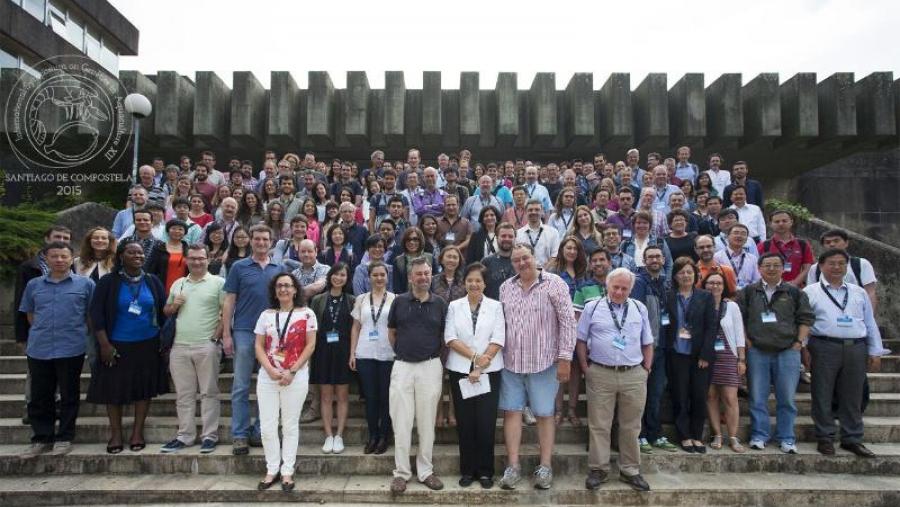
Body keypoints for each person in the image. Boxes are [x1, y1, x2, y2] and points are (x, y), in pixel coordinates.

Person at [497, 243, 576, 490]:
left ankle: (545, 466)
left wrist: (565, 359)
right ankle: (513, 466)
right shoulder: (505, 287)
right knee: (511, 413)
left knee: (544, 414)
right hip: (511, 363)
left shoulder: (554, 283)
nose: (522, 263)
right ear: (512, 264)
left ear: (535, 257)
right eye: (516, 260)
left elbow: (568, 321)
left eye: (525, 258)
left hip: (544, 363)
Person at [803, 249, 889, 458]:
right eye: (831, 263)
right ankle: (825, 437)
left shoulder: (858, 292)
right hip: (823, 346)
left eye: (841, 263)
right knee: (822, 393)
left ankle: (852, 438)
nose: (836, 267)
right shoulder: (810, 292)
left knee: (853, 394)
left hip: (855, 347)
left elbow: (869, 322)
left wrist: (875, 350)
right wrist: (804, 348)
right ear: (821, 266)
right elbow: (804, 322)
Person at [86, 239, 168, 454]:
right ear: (121, 256)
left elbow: (162, 311)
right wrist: (104, 344)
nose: (138, 256)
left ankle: (137, 432)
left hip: (148, 343)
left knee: (143, 390)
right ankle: (116, 434)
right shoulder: (108, 282)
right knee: (114, 391)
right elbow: (96, 314)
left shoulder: (152, 281)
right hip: (116, 344)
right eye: (132, 253)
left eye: (140, 253)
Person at [576, 268, 653, 492]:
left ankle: (630, 470)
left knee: (631, 425)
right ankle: (598, 469)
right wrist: (584, 367)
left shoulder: (639, 308)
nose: (619, 292)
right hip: (600, 372)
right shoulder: (593, 307)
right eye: (615, 287)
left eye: (624, 288)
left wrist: (646, 368)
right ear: (607, 287)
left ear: (630, 289)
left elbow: (647, 341)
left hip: (633, 374)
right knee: (599, 425)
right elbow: (581, 340)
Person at [18, 242, 94, 459]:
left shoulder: (85, 284)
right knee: (40, 395)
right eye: (55, 256)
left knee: (69, 394)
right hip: (40, 347)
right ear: (46, 258)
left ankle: (64, 437)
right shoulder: (34, 285)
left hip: (71, 346)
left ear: (72, 259)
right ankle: (41, 437)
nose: (59, 260)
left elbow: (90, 315)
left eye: (64, 256)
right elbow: (30, 314)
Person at [736, 252, 814, 453]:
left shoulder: (794, 292)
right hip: (758, 351)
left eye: (776, 265)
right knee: (757, 396)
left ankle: (786, 437)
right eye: (767, 265)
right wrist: (746, 341)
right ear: (759, 268)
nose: (771, 269)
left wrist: (798, 342)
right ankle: (759, 435)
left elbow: (805, 319)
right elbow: (740, 318)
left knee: (787, 397)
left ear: (783, 268)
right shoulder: (748, 292)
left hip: (787, 351)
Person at [222, 224, 286, 456]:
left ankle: (260, 430)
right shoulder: (239, 267)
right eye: (257, 239)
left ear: (271, 241)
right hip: (245, 331)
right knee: (240, 386)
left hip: (272, 335)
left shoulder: (280, 267)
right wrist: (226, 334)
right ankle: (239, 434)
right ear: (250, 241)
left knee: (268, 385)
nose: (261, 243)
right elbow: (229, 301)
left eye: (265, 239)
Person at [387, 257, 448, 493]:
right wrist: (405, 351)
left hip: (430, 367)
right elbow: (392, 332)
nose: (423, 277)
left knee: (426, 423)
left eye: (426, 273)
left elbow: (445, 336)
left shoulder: (440, 304)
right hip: (402, 367)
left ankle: (425, 471)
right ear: (411, 277)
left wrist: (431, 359)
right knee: (401, 422)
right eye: (418, 274)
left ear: (430, 275)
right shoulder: (399, 302)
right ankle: (401, 473)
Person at [253, 273, 317, 491]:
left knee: (290, 425)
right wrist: (270, 370)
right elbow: (259, 346)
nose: (283, 290)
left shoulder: (307, 314)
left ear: (295, 289)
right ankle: (272, 469)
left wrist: (292, 370)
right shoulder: (265, 315)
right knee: (268, 427)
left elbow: (310, 346)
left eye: (287, 286)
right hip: (268, 377)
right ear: (274, 290)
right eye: (279, 286)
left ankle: (287, 471)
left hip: (295, 376)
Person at [159, 245, 225, 454]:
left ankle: (209, 436)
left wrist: (216, 337)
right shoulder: (179, 284)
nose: (197, 262)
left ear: (208, 259)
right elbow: (166, 311)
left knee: (209, 392)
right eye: (193, 258)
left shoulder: (218, 283)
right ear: (187, 260)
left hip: (206, 344)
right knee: (184, 394)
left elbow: (226, 312)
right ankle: (185, 436)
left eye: (201, 258)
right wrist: (174, 306)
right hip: (179, 345)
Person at [444, 263, 505, 489]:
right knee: (466, 422)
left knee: (486, 423)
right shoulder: (454, 306)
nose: (474, 284)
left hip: (490, 371)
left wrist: (482, 363)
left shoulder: (496, 306)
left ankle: (486, 471)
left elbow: (498, 337)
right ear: (464, 283)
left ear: (485, 284)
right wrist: (474, 359)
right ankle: (468, 470)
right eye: (470, 280)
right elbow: (450, 337)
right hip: (460, 371)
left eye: (478, 280)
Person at [665, 257, 717, 453]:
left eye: (689, 272)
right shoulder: (669, 296)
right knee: (679, 396)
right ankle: (684, 435)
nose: (685, 275)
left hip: (699, 357)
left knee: (698, 396)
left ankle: (697, 435)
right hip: (677, 353)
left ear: (695, 275)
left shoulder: (705, 296)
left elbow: (712, 327)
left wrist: (706, 354)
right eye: (681, 272)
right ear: (675, 276)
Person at [630, 246, 678, 454]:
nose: (655, 260)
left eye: (658, 256)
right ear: (644, 260)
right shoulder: (639, 283)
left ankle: (655, 433)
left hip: (663, 347)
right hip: (644, 348)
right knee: (640, 393)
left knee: (656, 393)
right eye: (650, 257)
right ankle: (639, 435)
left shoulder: (667, 284)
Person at [349, 261, 396, 455]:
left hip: (388, 353)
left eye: (382, 275)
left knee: (386, 397)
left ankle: (384, 436)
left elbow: (397, 328)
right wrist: (352, 353)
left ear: (387, 277)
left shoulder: (395, 299)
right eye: (375, 275)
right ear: (369, 277)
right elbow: (356, 327)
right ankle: (373, 435)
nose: (378, 278)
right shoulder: (361, 299)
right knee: (371, 398)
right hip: (365, 352)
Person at [309, 263, 356, 454]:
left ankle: (339, 435)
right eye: (335, 274)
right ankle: (328, 435)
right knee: (326, 397)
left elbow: (355, 328)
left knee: (343, 396)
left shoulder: (352, 300)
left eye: (343, 275)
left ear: (347, 278)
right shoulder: (318, 300)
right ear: (330, 276)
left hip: (344, 352)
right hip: (322, 352)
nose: (339, 278)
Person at [701, 272, 747, 453]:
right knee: (711, 396)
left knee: (730, 397)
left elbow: (739, 333)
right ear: (705, 285)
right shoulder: (701, 303)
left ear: (724, 286)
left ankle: (733, 437)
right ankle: (717, 434)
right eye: (711, 283)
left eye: (718, 283)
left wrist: (741, 359)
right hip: (707, 355)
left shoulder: (732, 306)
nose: (715, 286)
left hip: (728, 355)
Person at [806, 228, 878, 309]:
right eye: (827, 242)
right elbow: (810, 295)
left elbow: (870, 293)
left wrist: (869, 319)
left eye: (836, 241)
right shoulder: (815, 268)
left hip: (855, 313)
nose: (832, 244)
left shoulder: (861, 264)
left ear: (846, 243)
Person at [759, 209, 815, 287]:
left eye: (784, 221)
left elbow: (807, 268)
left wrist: (794, 283)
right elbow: (758, 268)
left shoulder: (803, 244)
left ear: (791, 222)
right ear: (770, 224)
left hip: (797, 289)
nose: (781, 224)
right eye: (777, 222)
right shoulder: (764, 245)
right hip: (771, 288)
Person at [146, 219, 189, 294]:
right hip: (161, 287)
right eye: (173, 228)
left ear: (185, 232)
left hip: (183, 288)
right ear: (168, 230)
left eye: (180, 229)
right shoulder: (159, 248)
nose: (177, 231)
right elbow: (151, 269)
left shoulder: (189, 250)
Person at [713, 223, 760, 290]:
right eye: (736, 233)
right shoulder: (717, 257)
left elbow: (757, 280)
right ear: (728, 237)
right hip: (726, 294)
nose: (739, 236)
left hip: (748, 294)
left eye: (743, 234)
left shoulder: (753, 258)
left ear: (747, 239)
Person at [516, 199, 560, 268]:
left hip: (547, 274)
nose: (533, 212)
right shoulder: (518, 234)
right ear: (525, 212)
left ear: (542, 211)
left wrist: (542, 272)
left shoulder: (553, 232)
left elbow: (555, 256)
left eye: (537, 210)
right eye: (530, 210)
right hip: (524, 273)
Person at [391, 227, 435, 295]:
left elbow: (435, 283)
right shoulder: (398, 261)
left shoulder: (430, 258)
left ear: (421, 240)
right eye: (408, 240)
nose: (411, 242)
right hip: (405, 300)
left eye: (415, 239)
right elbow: (397, 288)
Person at [481, 223, 517, 300]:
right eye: (503, 236)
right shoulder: (486, 262)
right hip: (492, 308)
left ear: (515, 239)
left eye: (510, 236)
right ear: (496, 238)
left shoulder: (521, 261)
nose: (507, 239)